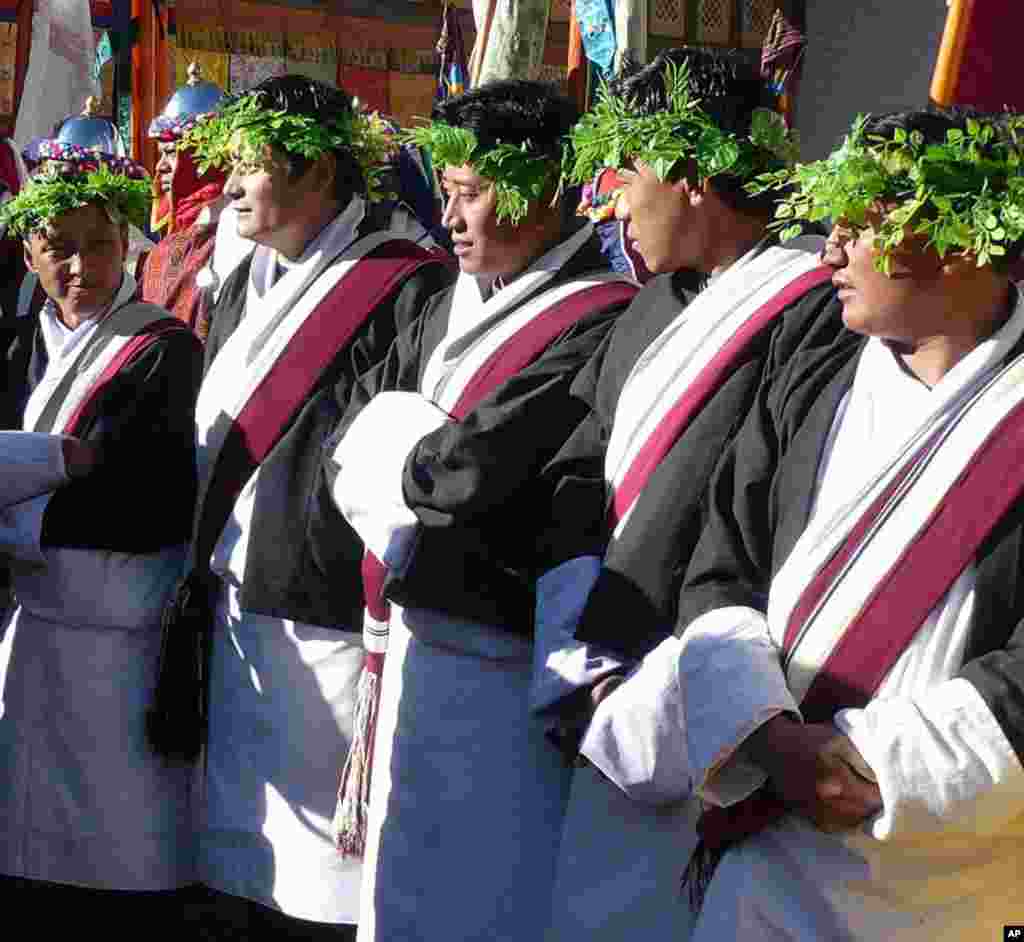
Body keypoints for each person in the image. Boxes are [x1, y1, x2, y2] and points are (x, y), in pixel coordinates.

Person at [668, 107, 1024, 940]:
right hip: (765, 850)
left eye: (859, 225)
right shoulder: (812, 381)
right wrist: (767, 735)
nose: (829, 252)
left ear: (960, 237)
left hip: (945, 876)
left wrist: (875, 767)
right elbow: (720, 565)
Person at [531, 47, 851, 940]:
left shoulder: (813, 313)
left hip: (704, 685)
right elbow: (579, 462)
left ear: (690, 174)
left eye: (626, 173)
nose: (611, 203)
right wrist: (578, 632)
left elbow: (765, 510)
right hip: (603, 669)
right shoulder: (654, 299)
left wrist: (682, 666)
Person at [324, 78, 638, 942]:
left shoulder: (599, 319)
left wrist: (403, 454)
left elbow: (472, 469)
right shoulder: (440, 304)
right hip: (413, 637)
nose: (450, 218)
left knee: (486, 897)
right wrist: (415, 453)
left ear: (538, 188)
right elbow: (349, 418)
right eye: (447, 192)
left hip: (503, 653)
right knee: (402, 892)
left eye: (469, 194)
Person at [146, 74, 453, 940]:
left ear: (318, 173)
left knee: (317, 883)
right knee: (235, 855)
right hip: (231, 607)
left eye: (253, 165)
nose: (231, 185)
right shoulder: (239, 278)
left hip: (321, 612)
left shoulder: (404, 287)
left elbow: (385, 445)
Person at [0, 150, 201, 927]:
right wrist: (59, 464)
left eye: (100, 246)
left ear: (127, 246)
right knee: (32, 826)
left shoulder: (163, 349)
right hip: (32, 622)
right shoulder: (15, 344)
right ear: (29, 252)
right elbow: (85, 467)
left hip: (121, 626)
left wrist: (22, 485)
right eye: (59, 248)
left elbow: (144, 488)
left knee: (121, 829)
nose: (80, 267)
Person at [141, 61, 228, 340]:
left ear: (202, 158)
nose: (160, 167)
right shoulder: (164, 246)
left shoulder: (237, 235)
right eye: (161, 154)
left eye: (171, 153)